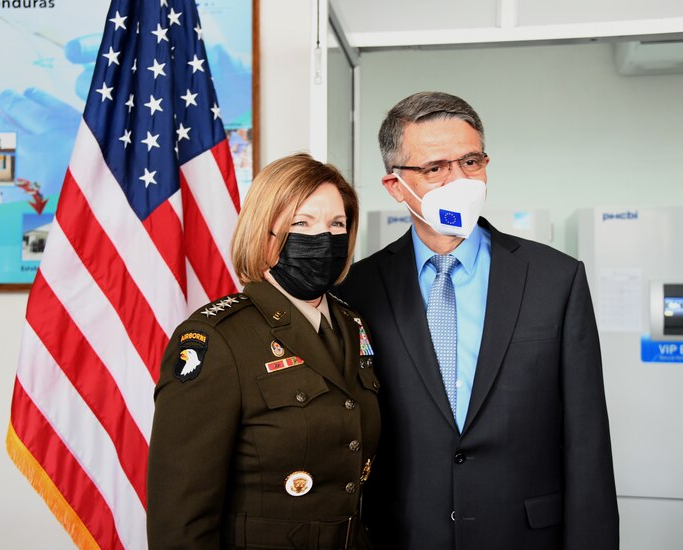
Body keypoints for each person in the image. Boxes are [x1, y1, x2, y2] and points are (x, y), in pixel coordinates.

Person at [335, 92, 619, 550]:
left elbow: (587, 442)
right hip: (402, 535)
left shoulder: (555, 279)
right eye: (435, 168)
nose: (459, 180)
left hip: (525, 536)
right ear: (395, 186)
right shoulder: (358, 289)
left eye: (470, 161)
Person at [147, 153, 380, 549]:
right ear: (263, 232)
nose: (324, 238)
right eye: (301, 223)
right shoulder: (216, 337)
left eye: (336, 224)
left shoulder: (351, 323)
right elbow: (180, 523)